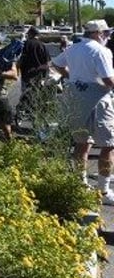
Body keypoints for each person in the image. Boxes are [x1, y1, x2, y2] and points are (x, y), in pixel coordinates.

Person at [51, 19, 114, 199]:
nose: (107, 37)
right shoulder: (101, 51)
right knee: (109, 145)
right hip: (98, 100)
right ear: (98, 33)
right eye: (106, 33)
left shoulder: (73, 48)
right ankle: (103, 190)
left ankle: (80, 184)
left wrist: (71, 77)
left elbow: (56, 64)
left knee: (82, 144)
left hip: (76, 98)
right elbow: (108, 80)